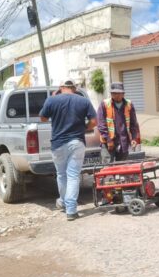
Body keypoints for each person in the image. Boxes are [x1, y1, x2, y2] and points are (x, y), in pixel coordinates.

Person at [39, 79, 97, 221]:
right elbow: (94, 122)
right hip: (77, 142)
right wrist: (84, 128)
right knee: (73, 175)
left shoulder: (52, 100)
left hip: (58, 143)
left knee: (61, 175)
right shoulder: (83, 101)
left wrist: (52, 102)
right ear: (75, 88)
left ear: (61, 88)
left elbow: (43, 118)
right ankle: (71, 210)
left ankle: (65, 203)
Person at [96, 82, 140, 163]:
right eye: (114, 93)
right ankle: (109, 176)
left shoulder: (129, 104)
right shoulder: (104, 104)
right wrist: (108, 140)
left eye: (119, 93)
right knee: (108, 169)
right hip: (108, 143)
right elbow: (101, 125)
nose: (117, 95)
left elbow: (133, 124)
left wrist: (134, 138)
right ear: (111, 94)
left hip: (123, 141)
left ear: (123, 94)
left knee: (122, 168)